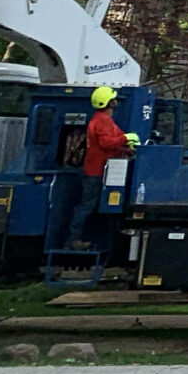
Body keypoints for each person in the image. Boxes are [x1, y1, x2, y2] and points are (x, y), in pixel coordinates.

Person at [62, 86, 139, 253]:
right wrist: (126, 138)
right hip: (95, 172)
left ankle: (87, 240)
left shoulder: (105, 120)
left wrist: (127, 147)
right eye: (113, 98)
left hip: (100, 171)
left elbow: (115, 141)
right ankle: (72, 241)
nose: (116, 100)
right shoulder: (101, 121)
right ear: (108, 102)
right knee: (86, 207)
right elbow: (106, 143)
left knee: (92, 207)